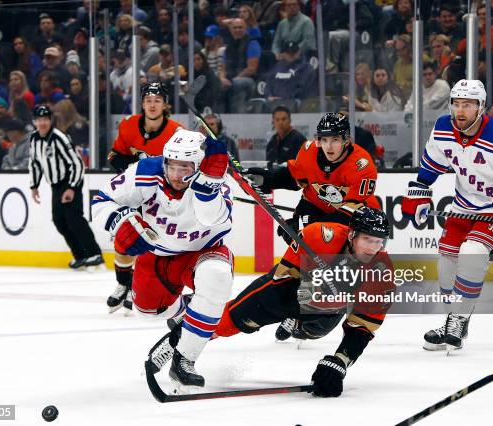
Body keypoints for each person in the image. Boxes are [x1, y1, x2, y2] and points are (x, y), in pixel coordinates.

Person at [148, 207, 393, 398]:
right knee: (230, 321)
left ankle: (296, 323)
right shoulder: (318, 236)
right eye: (368, 240)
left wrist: (340, 361)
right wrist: (316, 282)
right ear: (352, 235)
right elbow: (282, 277)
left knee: (312, 332)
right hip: (288, 291)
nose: (374, 248)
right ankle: (178, 340)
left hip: (327, 312)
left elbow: (363, 326)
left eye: (379, 242)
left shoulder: (381, 272)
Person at [401, 79, 493, 352]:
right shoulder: (443, 127)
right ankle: (455, 319)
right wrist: (419, 191)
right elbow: (431, 165)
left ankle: (457, 320)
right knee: (446, 265)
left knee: (472, 253)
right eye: (456, 103)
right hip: (463, 205)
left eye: (467, 104)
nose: (460, 110)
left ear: (481, 107)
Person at [93, 129, 234, 389]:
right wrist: (120, 222)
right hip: (157, 253)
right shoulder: (146, 171)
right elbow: (101, 200)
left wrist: (208, 185)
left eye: (185, 167)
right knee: (147, 312)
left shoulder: (217, 181)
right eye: (172, 165)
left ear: (200, 165)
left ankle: (184, 360)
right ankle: (188, 314)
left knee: (217, 277)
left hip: (202, 252)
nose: (177, 175)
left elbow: (209, 217)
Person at [106, 82, 183, 314]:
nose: (152, 105)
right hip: (134, 191)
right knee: (123, 237)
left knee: (150, 243)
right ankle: (123, 284)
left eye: (157, 100)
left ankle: (137, 289)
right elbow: (114, 156)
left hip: (161, 197)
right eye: (148, 100)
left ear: (165, 104)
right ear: (142, 103)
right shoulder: (129, 126)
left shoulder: (176, 132)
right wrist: (135, 170)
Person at [248, 112, 380, 246]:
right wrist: (268, 180)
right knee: (295, 237)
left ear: (346, 140)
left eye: (335, 139)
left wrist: (309, 223)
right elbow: (295, 178)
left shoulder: (362, 165)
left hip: (359, 220)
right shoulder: (309, 151)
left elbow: (351, 213)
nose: (328, 146)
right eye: (324, 139)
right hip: (315, 205)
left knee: (346, 246)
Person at [28, 105, 103, 270]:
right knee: (59, 221)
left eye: (45, 119)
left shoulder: (59, 138)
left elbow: (77, 163)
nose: (42, 123)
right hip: (56, 184)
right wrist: (34, 186)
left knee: (74, 218)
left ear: (50, 120)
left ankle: (95, 254)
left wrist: (71, 188)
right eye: (39, 120)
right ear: (34, 122)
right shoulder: (34, 139)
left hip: (71, 181)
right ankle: (81, 256)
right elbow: (34, 163)